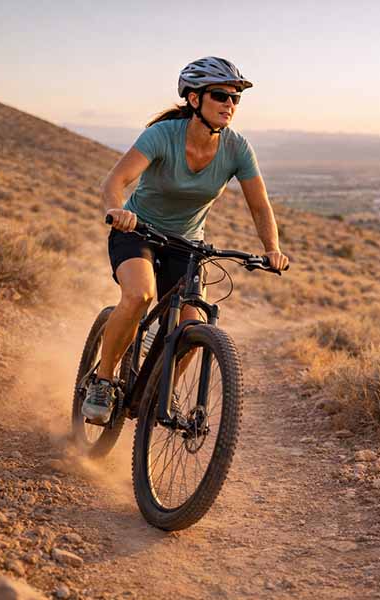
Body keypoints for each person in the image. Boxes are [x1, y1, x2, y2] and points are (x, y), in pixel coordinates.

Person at [82, 56, 289, 424]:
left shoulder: (237, 148)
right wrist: (117, 211)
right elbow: (114, 182)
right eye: (221, 96)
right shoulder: (162, 136)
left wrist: (272, 248)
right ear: (195, 99)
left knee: (193, 327)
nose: (230, 105)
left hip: (186, 243)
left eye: (235, 99)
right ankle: (102, 380)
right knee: (139, 296)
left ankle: (155, 393)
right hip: (137, 232)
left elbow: (260, 206)